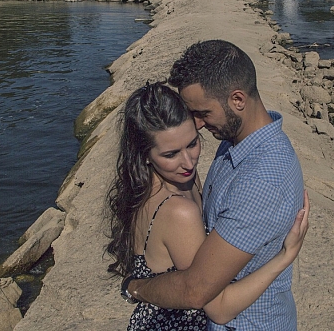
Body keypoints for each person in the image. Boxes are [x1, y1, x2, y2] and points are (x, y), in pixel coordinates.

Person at [125, 40, 305, 330]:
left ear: (237, 100)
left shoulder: (261, 182)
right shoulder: (233, 140)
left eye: (202, 113)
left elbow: (197, 292)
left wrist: (135, 288)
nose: (196, 124)